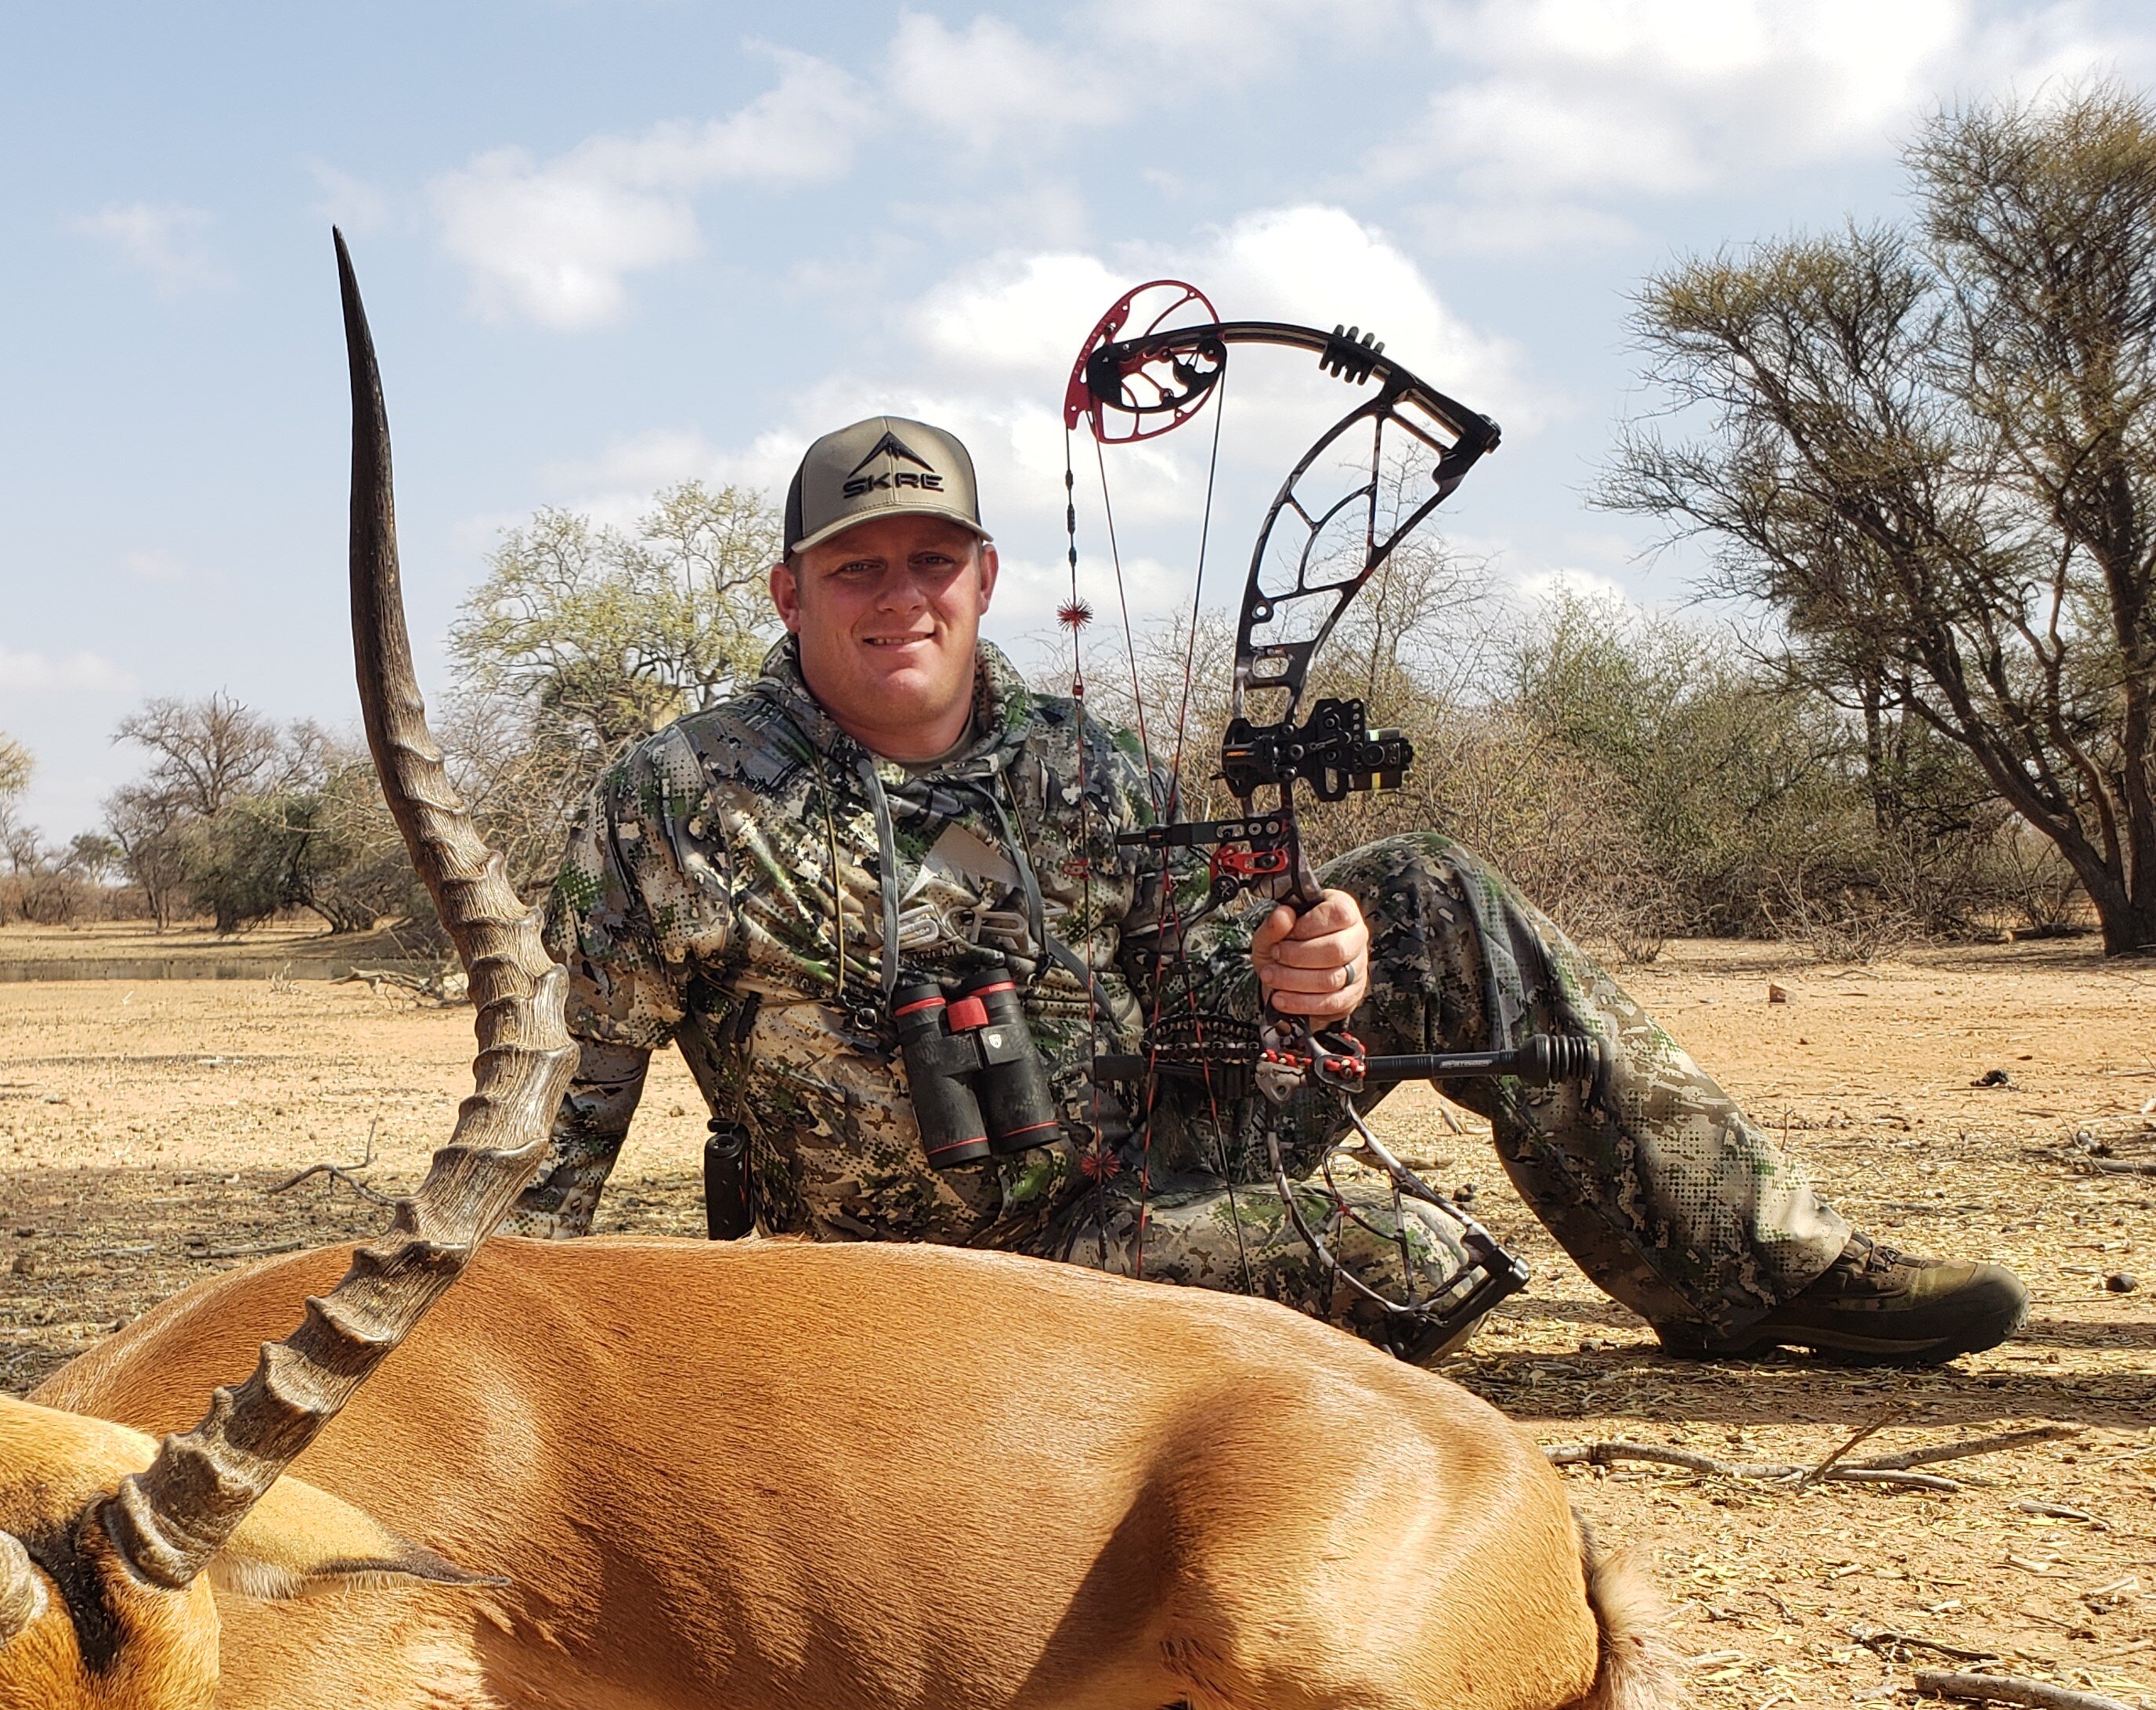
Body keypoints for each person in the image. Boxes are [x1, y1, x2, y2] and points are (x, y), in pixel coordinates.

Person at [508, 413, 2028, 1366]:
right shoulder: (672, 797)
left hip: (1133, 1165)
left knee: (1427, 893)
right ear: (791, 592)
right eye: (855, 568)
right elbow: (568, 1110)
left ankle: (1765, 1274)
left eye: (929, 561)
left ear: (981, 579)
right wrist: (491, 1342)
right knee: (1414, 1269)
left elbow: (1206, 983)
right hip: (906, 1285)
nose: (897, 596)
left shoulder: (1082, 764)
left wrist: (1321, 962)